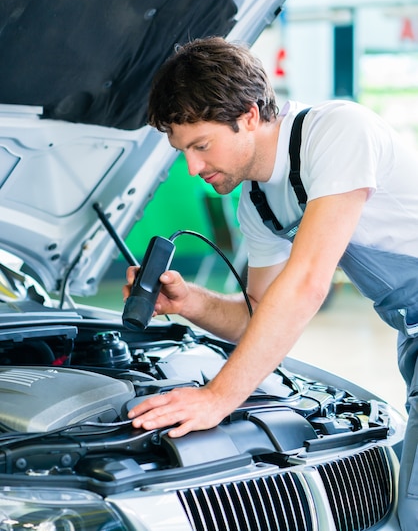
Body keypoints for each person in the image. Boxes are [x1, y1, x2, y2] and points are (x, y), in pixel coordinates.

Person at [124, 36, 418, 531]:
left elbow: (306, 285)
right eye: (183, 152)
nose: (193, 168)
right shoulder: (257, 203)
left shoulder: (337, 132)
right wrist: (190, 301)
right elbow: (258, 315)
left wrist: (219, 396)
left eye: (201, 145)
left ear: (250, 114)